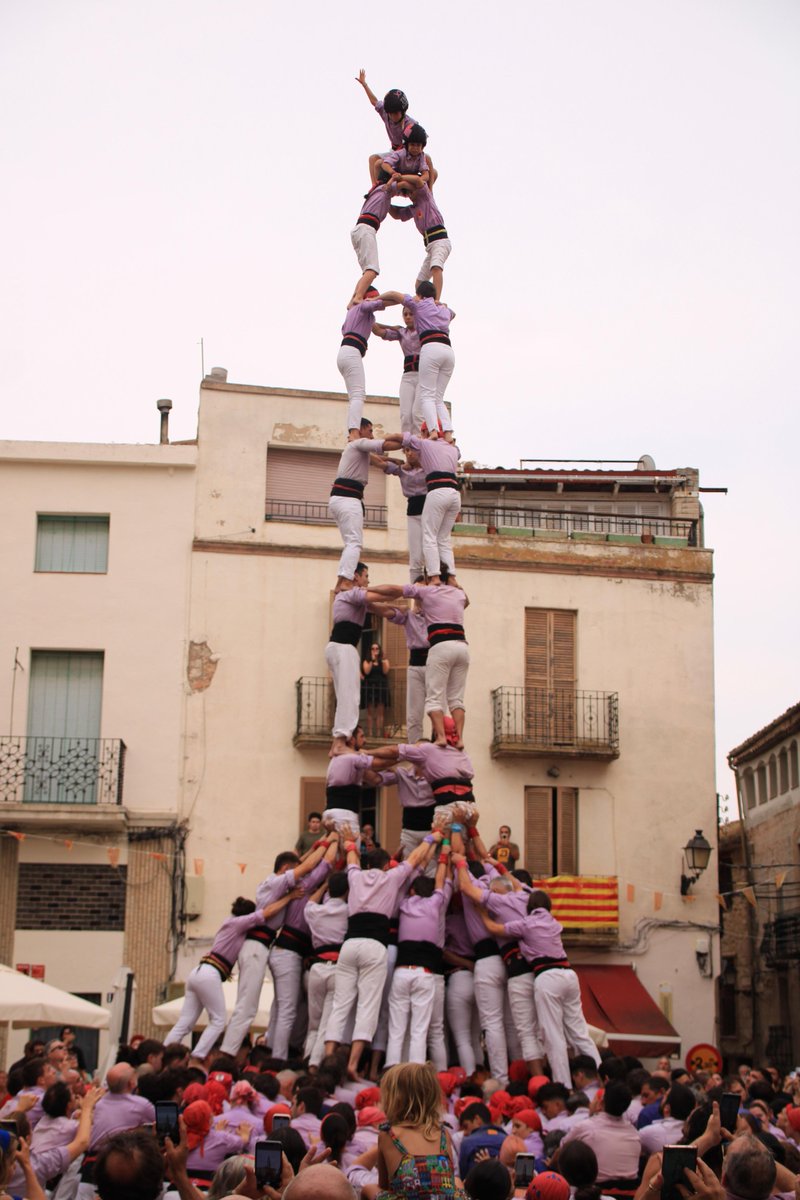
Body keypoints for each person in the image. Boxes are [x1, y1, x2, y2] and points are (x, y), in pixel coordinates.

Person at [324, 829, 442, 1078]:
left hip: (350, 943)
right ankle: (352, 1065)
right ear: (387, 865)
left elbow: (352, 857)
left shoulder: (355, 875)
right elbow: (415, 858)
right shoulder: (391, 878)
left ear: (368, 864)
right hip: (375, 945)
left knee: (340, 1004)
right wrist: (434, 835)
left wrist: (349, 841)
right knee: (368, 1006)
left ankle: (328, 1059)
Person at [478, 889, 600, 1090]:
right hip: (569, 975)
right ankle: (601, 1076)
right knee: (579, 1032)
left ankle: (564, 1086)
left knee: (553, 1036)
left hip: (548, 976)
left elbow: (494, 928)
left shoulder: (527, 923)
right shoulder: (554, 923)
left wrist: (481, 911)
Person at [219, 844, 327, 1056]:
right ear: (285, 869)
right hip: (256, 946)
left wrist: (319, 843)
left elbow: (301, 863)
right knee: (247, 1007)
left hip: (261, 947)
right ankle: (228, 1052)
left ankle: (254, 1051)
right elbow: (268, 912)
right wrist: (290, 897)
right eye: (294, 871)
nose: (298, 877)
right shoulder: (276, 883)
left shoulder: (276, 883)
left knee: (270, 1007)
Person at [165, 895, 296, 1060]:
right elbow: (266, 913)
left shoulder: (229, 922)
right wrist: (289, 897)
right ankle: (198, 1056)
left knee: (185, 1022)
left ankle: (165, 1052)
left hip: (198, 972)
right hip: (210, 973)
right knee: (218, 1021)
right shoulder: (239, 923)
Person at [268, 832, 341, 1062]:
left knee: (284, 1007)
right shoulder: (305, 885)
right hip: (287, 952)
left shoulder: (307, 893)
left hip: (287, 952)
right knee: (287, 1010)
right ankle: (278, 1059)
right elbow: (326, 862)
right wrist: (334, 838)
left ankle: (276, 1051)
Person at [385, 847, 452, 1067]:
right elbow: (441, 881)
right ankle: (415, 1073)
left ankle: (391, 1071)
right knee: (419, 1030)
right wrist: (444, 856)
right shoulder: (435, 904)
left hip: (401, 972)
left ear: (413, 891)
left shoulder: (403, 904)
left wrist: (421, 862)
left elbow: (404, 883)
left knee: (397, 1029)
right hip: (425, 974)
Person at [325, 565, 401, 756]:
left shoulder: (352, 598)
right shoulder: (352, 594)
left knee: (345, 696)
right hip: (344, 648)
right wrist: (407, 591)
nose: (368, 580)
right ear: (356, 577)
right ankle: (340, 741)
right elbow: (384, 595)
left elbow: (383, 609)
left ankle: (337, 743)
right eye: (366, 576)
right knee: (350, 697)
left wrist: (403, 611)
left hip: (337, 647)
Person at [328, 419, 402, 585]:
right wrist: (410, 441)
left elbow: (380, 462)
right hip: (348, 499)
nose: (372, 436)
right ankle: (345, 581)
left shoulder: (357, 451)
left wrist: (394, 462)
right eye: (370, 431)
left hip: (340, 499)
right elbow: (386, 445)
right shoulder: (358, 444)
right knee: (354, 543)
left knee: (350, 544)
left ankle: (341, 581)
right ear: (360, 430)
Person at [376, 1062, 464, 1198]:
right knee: (457, 1182)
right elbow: (448, 1184)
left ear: (393, 1099)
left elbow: (384, 1185)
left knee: (369, 1190)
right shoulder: (443, 1133)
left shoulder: (389, 1135)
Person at [401, 570, 469, 745]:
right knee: (419, 713)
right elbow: (465, 600)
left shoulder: (435, 599)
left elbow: (396, 590)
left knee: (436, 702)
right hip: (425, 661)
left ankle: (441, 739)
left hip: (439, 654)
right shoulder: (412, 613)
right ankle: (450, 740)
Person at [381, 285, 455, 437]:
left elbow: (393, 293)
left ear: (419, 295)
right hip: (447, 350)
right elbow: (452, 313)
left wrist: (374, 300)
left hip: (431, 348)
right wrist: (439, 303)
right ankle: (448, 433)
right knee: (437, 398)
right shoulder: (442, 310)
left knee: (426, 397)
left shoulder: (419, 305)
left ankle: (432, 431)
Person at [304, 871, 351, 1068]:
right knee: (327, 1022)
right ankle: (314, 1064)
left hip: (316, 968)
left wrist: (324, 886)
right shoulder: (349, 911)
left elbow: (309, 902)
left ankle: (307, 1059)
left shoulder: (315, 911)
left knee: (313, 1024)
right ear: (347, 891)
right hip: (337, 968)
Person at [354, 71, 420, 187]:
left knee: (380, 163)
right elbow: (374, 101)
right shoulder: (386, 115)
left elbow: (421, 138)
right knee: (373, 159)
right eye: (390, 113)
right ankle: (375, 189)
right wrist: (364, 84)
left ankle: (383, 185)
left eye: (395, 113)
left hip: (406, 155)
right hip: (394, 151)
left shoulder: (410, 124)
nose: (392, 116)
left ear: (402, 112)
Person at [388, 180, 451, 301]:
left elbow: (420, 180)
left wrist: (400, 180)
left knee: (436, 267)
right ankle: (423, 303)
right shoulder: (413, 208)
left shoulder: (426, 196)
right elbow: (396, 214)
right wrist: (385, 199)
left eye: (411, 191)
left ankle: (436, 301)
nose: (410, 195)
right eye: (408, 194)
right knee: (419, 283)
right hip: (430, 246)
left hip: (440, 240)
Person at [338, 291, 387, 437]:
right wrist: (404, 299)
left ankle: (352, 431)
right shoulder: (362, 306)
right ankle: (354, 432)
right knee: (358, 395)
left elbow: (377, 328)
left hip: (346, 353)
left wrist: (396, 328)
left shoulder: (360, 313)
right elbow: (383, 303)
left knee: (354, 397)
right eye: (373, 297)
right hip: (352, 352)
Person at [372, 310, 422, 434]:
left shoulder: (424, 329)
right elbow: (376, 330)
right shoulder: (401, 333)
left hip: (423, 375)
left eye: (411, 314)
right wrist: (392, 327)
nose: (408, 317)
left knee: (417, 414)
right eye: (405, 314)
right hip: (408, 376)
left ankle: (419, 441)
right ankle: (406, 441)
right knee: (405, 414)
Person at [350, 182, 397, 305]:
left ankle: (352, 301)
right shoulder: (385, 189)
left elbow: (397, 214)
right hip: (366, 229)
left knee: (367, 272)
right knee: (372, 270)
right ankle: (358, 297)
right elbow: (403, 183)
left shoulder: (377, 192)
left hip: (360, 229)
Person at [361, 641, 391, 737]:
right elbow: (366, 672)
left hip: (381, 686)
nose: (375, 650)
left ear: (379, 650)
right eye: (372, 649)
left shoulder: (384, 661)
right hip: (370, 686)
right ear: (370, 651)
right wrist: (372, 660)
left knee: (380, 712)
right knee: (370, 712)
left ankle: (378, 733)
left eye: (377, 648)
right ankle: (370, 733)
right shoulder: (366, 661)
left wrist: (382, 661)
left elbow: (385, 671)